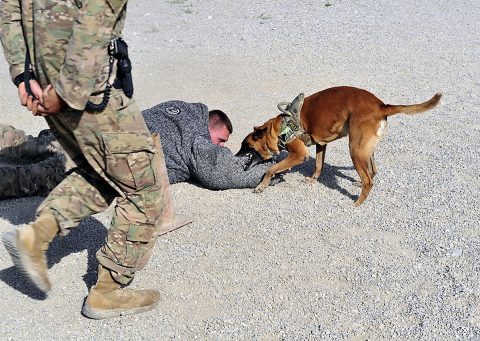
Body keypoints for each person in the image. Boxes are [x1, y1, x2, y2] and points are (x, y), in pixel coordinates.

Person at [0, 0, 167, 319]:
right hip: (86, 89)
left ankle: (36, 237)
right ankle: (108, 291)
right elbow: (94, 18)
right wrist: (67, 91)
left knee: (101, 170)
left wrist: (24, 76)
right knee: (145, 191)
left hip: (47, 83)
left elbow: (10, 8)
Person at [0, 102, 272, 199]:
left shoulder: (177, 107)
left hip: (88, 131)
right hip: (97, 160)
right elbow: (221, 174)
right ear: (212, 126)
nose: (221, 147)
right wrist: (275, 166)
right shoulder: (198, 140)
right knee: (27, 179)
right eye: (221, 140)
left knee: (25, 144)